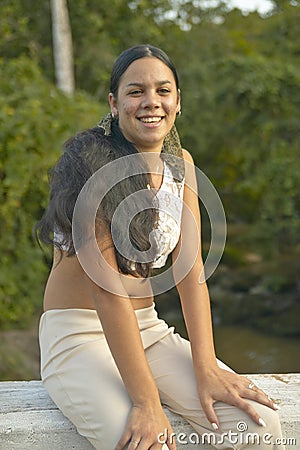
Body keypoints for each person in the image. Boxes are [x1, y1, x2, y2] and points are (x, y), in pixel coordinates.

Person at [36, 44, 285, 450]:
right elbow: (106, 288)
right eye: (136, 92)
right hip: (78, 336)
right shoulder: (90, 164)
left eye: (163, 90)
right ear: (114, 103)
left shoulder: (180, 165)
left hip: (149, 330)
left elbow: (189, 272)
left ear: (178, 102)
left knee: (259, 428)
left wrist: (207, 368)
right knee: (146, 444)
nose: (151, 102)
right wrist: (146, 401)